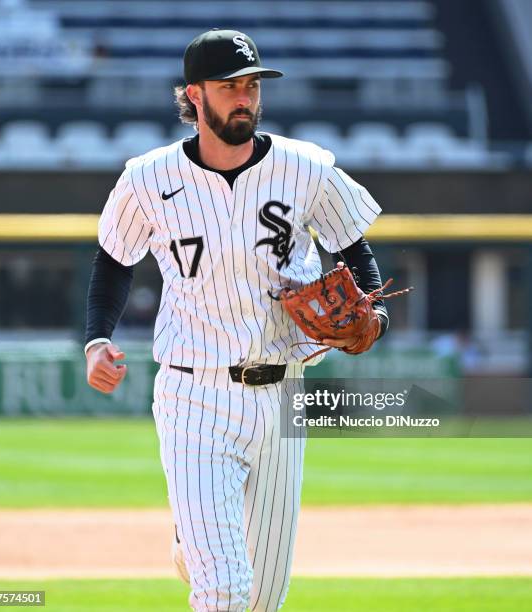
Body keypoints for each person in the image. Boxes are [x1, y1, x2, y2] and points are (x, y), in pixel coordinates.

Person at [85, 29, 389, 612]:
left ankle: (191, 541)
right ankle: (199, 544)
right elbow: (113, 262)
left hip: (283, 395)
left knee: (265, 597)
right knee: (225, 590)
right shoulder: (147, 178)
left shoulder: (306, 168)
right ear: (194, 96)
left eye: (252, 84)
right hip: (192, 391)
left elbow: (357, 251)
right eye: (230, 86)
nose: (245, 96)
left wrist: (375, 314)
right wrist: (98, 338)